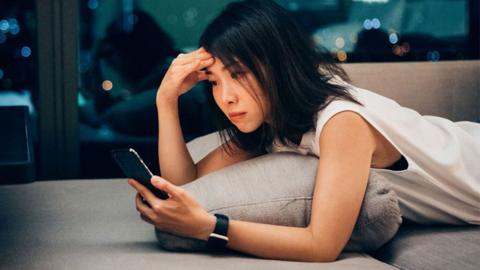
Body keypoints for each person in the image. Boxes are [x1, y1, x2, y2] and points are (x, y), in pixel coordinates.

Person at [127, 0, 480, 262]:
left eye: (238, 74)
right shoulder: (273, 122)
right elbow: (187, 186)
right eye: (215, 82)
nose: (225, 97)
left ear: (278, 64)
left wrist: (208, 227)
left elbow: (322, 245)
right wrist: (165, 100)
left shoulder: (340, 122)